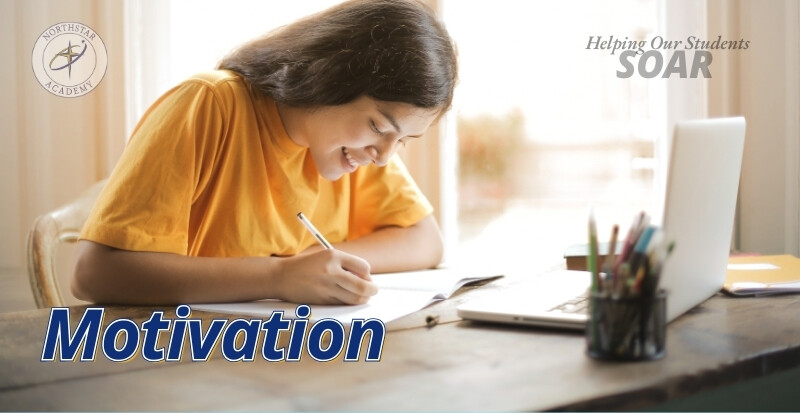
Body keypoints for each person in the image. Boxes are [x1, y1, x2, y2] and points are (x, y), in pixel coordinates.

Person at [71, 0, 458, 306]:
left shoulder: (355, 148)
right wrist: (280, 277)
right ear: (329, 78)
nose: (385, 157)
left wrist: (318, 267)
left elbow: (425, 240)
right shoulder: (209, 104)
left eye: (404, 140)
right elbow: (94, 273)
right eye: (379, 127)